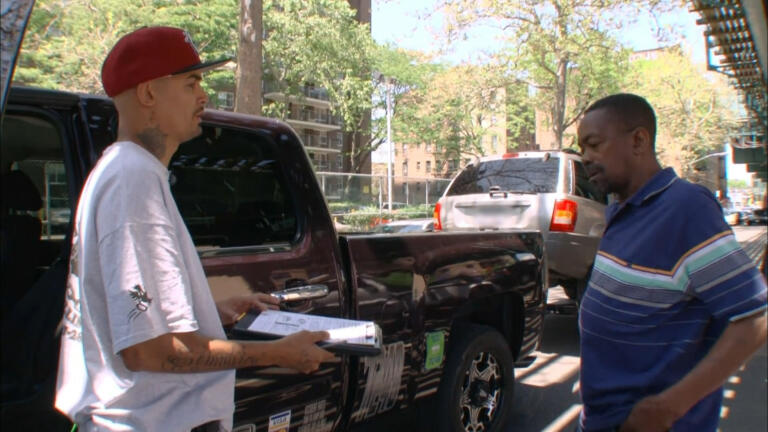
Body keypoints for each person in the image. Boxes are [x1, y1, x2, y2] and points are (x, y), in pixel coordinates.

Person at [55, 26, 336, 432]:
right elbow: (148, 351)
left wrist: (211, 313)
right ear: (148, 93)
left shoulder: (126, 172)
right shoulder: (133, 179)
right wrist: (278, 353)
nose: (203, 96)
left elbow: (138, 321)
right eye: (191, 84)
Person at [576, 93, 767, 432]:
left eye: (594, 145)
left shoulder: (686, 208)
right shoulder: (620, 209)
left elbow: (755, 319)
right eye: (582, 148)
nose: (585, 158)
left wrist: (667, 407)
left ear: (639, 140)